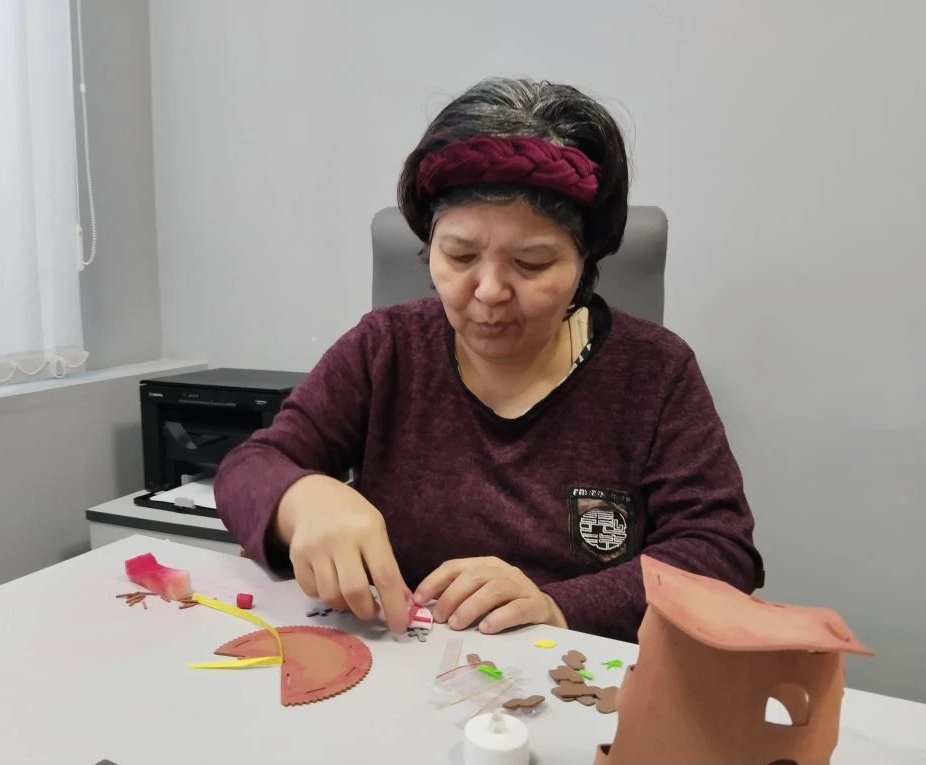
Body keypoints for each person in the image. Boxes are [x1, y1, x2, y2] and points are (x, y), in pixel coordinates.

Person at [215, 77, 764, 640]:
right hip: (402, 661)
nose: (489, 292)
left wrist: (558, 606)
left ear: (585, 262)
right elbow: (249, 467)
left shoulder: (654, 372)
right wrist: (302, 499)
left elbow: (719, 550)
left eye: (531, 263)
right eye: (460, 255)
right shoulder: (386, 348)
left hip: (572, 672)